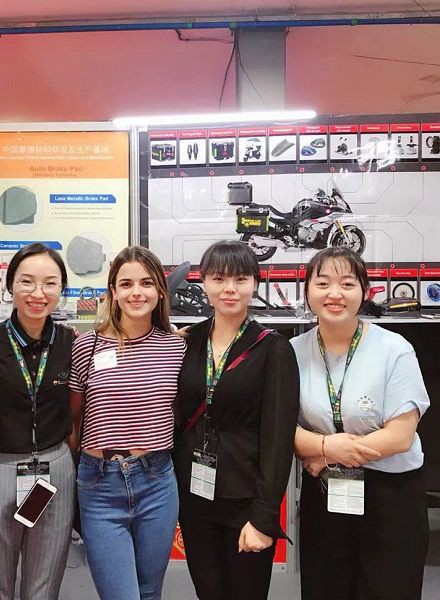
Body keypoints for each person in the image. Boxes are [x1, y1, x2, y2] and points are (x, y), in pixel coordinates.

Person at [292, 247, 430, 600]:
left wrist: (326, 453)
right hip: (324, 495)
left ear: (365, 292)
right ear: (307, 291)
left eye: (347, 284)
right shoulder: (290, 352)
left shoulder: (394, 349)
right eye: (322, 283)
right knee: (326, 589)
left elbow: (400, 437)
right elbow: (281, 428)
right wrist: (326, 448)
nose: (334, 294)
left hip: (391, 496)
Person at [173, 240, 300, 600]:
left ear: (255, 284)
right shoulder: (188, 341)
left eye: (240, 279)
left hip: (245, 498)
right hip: (194, 495)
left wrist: (264, 516)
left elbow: (278, 439)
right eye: (219, 278)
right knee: (208, 591)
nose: (230, 289)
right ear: (204, 284)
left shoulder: (272, 347)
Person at [69, 246, 185, 600]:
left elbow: (178, 415)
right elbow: (74, 421)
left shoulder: (176, 347)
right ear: (113, 292)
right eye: (126, 283)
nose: (137, 292)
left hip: (156, 481)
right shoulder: (85, 346)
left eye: (147, 283)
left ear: (160, 291)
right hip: (100, 485)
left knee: (149, 592)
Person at [0, 243, 76, 600]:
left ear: (62, 289)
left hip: (55, 467)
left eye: (50, 283)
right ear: (9, 285)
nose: (38, 293)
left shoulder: (70, 342)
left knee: (44, 584)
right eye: (27, 282)